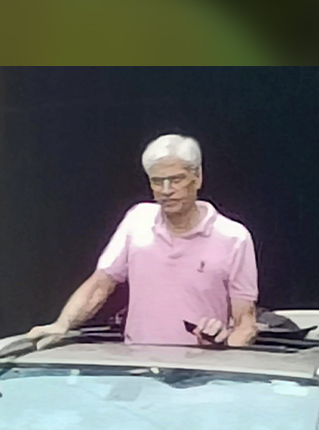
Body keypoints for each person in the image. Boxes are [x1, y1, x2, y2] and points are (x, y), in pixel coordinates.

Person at [29, 134, 259, 349]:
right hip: (141, 369)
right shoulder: (137, 219)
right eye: (158, 181)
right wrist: (62, 324)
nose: (166, 190)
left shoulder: (233, 237)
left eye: (176, 179)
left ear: (197, 177)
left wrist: (224, 348)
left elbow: (245, 324)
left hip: (199, 371)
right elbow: (101, 284)